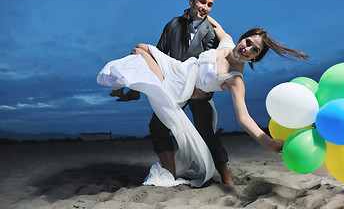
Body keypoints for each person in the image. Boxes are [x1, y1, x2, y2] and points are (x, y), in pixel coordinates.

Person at [97, 16, 309, 187]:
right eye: (248, 42)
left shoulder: (235, 79)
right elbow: (217, 25)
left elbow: (243, 117)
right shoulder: (227, 44)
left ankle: (151, 87)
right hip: (180, 69)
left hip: (181, 87)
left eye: (254, 50)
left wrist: (268, 142)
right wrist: (195, 12)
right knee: (139, 48)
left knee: (141, 56)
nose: (247, 49)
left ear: (254, 58)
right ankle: (139, 89)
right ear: (242, 38)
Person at [112, 0, 234, 185]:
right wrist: (136, 89)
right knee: (157, 126)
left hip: (198, 90)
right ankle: (169, 172)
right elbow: (156, 57)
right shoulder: (173, 25)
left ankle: (227, 178)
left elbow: (215, 67)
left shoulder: (211, 33)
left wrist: (205, 94)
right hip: (175, 85)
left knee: (206, 132)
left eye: (210, 5)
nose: (205, 7)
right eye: (202, 1)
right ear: (191, 1)